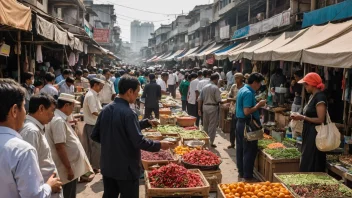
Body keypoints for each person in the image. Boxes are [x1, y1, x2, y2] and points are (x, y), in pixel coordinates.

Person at [91, 75, 173, 198]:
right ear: (129, 91)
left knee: (109, 194)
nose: (137, 96)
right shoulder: (129, 113)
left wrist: (145, 123)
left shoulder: (105, 110)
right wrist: (160, 145)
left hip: (108, 165)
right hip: (126, 168)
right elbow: (138, 141)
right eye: (136, 93)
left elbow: (96, 135)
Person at [0, 78, 62, 197]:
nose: (25, 112)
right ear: (14, 111)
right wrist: (49, 186)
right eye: (23, 107)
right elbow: (34, 195)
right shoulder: (22, 150)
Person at [46, 93, 92, 198]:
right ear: (66, 105)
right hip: (67, 167)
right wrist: (69, 168)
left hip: (69, 165)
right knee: (69, 193)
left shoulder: (60, 118)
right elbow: (59, 146)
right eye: (72, 106)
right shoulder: (58, 120)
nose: (73, 109)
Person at [20, 93, 63, 198]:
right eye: (52, 111)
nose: (53, 115)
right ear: (41, 108)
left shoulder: (35, 128)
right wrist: (47, 187)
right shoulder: (31, 131)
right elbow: (29, 171)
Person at [291, 72, 327, 172]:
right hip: (309, 132)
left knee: (312, 160)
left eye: (306, 84)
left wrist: (302, 117)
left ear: (312, 84)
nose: (305, 86)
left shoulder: (320, 97)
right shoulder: (312, 96)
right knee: (307, 158)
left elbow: (320, 119)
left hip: (315, 134)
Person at [236, 73, 266, 182]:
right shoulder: (248, 93)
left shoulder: (242, 89)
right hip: (247, 124)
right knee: (249, 150)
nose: (259, 86)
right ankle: (248, 175)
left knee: (241, 148)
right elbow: (247, 111)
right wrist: (259, 105)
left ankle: (242, 172)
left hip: (240, 123)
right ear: (254, 83)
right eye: (259, 84)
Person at [83, 78, 104, 173]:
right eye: (100, 86)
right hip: (92, 124)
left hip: (94, 124)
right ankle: (95, 167)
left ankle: (95, 165)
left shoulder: (94, 95)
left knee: (95, 147)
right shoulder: (91, 95)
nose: (101, 88)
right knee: (95, 147)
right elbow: (94, 111)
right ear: (95, 85)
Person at [198, 74, 221, 147]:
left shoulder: (204, 87)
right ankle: (210, 142)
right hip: (213, 107)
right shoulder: (215, 88)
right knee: (212, 125)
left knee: (205, 124)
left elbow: (200, 99)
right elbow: (218, 100)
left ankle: (205, 140)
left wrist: (199, 109)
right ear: (216, 79)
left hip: (205, 107)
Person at [227, 73, 245, 149]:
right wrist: (232, 99)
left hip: (241, 111)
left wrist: (234, 99)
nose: (236, 80)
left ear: (241, 79)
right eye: (235, 78)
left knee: (240, 129)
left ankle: (240, 144)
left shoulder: (244, 87)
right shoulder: (233, 86)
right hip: (233, 110)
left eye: (237, 78)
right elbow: (229, 96)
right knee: (232, 128)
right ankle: (232, 143)